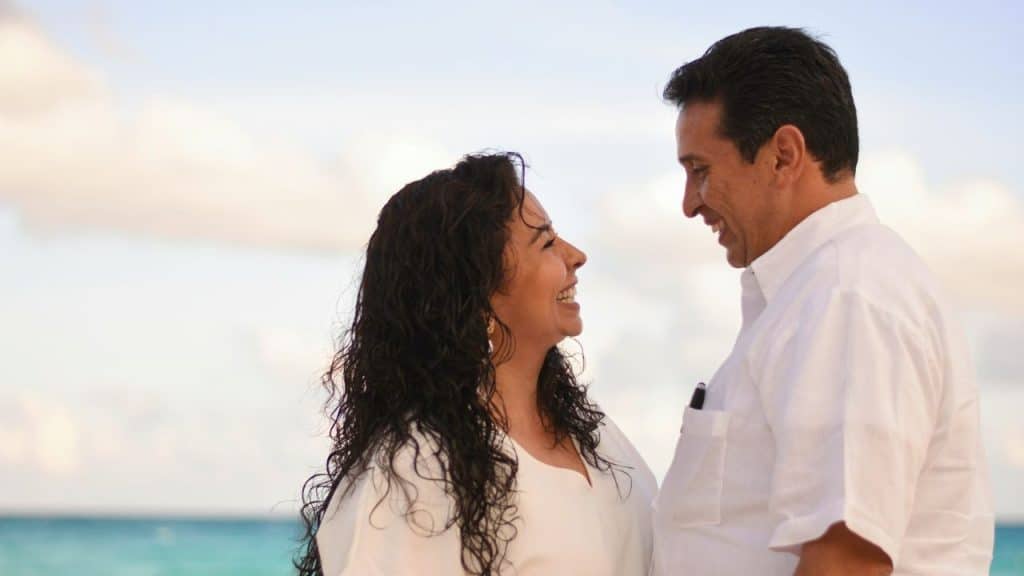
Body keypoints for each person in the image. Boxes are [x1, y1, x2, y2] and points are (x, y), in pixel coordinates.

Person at [653, 27, 994, 575]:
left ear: (783, 156)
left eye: (701, 171)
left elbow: (846, 560)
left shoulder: (846, 294)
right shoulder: (816, 294)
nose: (690, 204)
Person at [296, 152, 655, 576]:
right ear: (477, 295)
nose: (576, 256)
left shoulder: (598, 438)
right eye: (545, 243)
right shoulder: (415, 470)